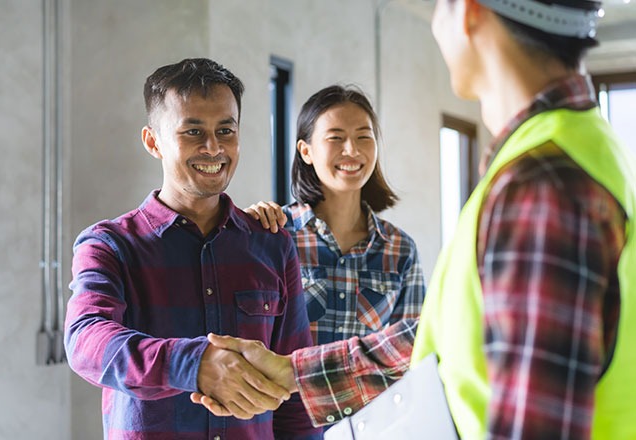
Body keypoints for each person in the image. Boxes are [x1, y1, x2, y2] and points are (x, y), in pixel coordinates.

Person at [192, 0, 636, 438]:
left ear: (470, 13)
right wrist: (295, 372)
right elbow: (438, 338)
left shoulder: (540, 184)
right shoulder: (574, 147)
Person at [64, 57, 322, 439]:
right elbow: (86, 339)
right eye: (193, 132)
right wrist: (193, 364)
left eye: (226, 130)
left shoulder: (272, 245)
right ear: (154, 141)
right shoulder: (109, 245)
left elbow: (295, 392)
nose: (213, 148)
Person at [246, 85, 426, 348]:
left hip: (370, 392)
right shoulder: (275, 234)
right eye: (335, 138)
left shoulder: (400, 249)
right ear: (306, 151)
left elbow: (409, 351)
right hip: (288, 390)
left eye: (364, 137)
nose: (352, 150)